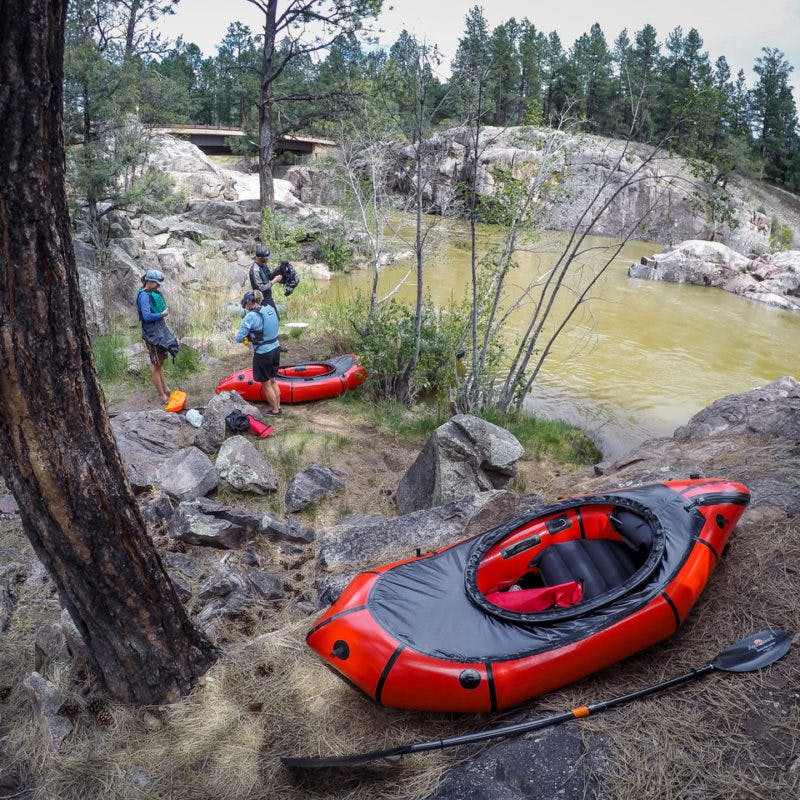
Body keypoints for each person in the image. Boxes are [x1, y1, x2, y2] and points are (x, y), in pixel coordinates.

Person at [235, 290, 281, 416]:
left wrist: (247, 337)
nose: (245, 307)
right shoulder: (269, 308)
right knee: (273, 381)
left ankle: (275, 411)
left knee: (266, 384)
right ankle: (278, 407)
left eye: (246, 304)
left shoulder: (250, 316)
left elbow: (239, 337)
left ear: (250, 301)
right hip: (275, 348)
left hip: (263, 353)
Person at [136, 269, 179, 405]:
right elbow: (146, 316)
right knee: (155, 364)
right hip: (152, 334)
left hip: (159, 332)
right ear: (149, 282)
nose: (158, 286)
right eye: (156, 283)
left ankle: (166, 388)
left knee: (160, 363)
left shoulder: (152, 292)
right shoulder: (143, 296)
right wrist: (162, 314)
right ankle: (161, 396)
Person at [248, 244, 283, 317]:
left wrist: (279, 270)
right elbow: (260, 288)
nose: (268, 259)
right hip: (260, 300)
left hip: (268, 297)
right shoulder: (255, 270)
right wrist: (274, 281)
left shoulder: (264, 265)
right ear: (260, 258)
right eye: (266, 258)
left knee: (275, 318)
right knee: (269, 320)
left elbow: (269, 276)